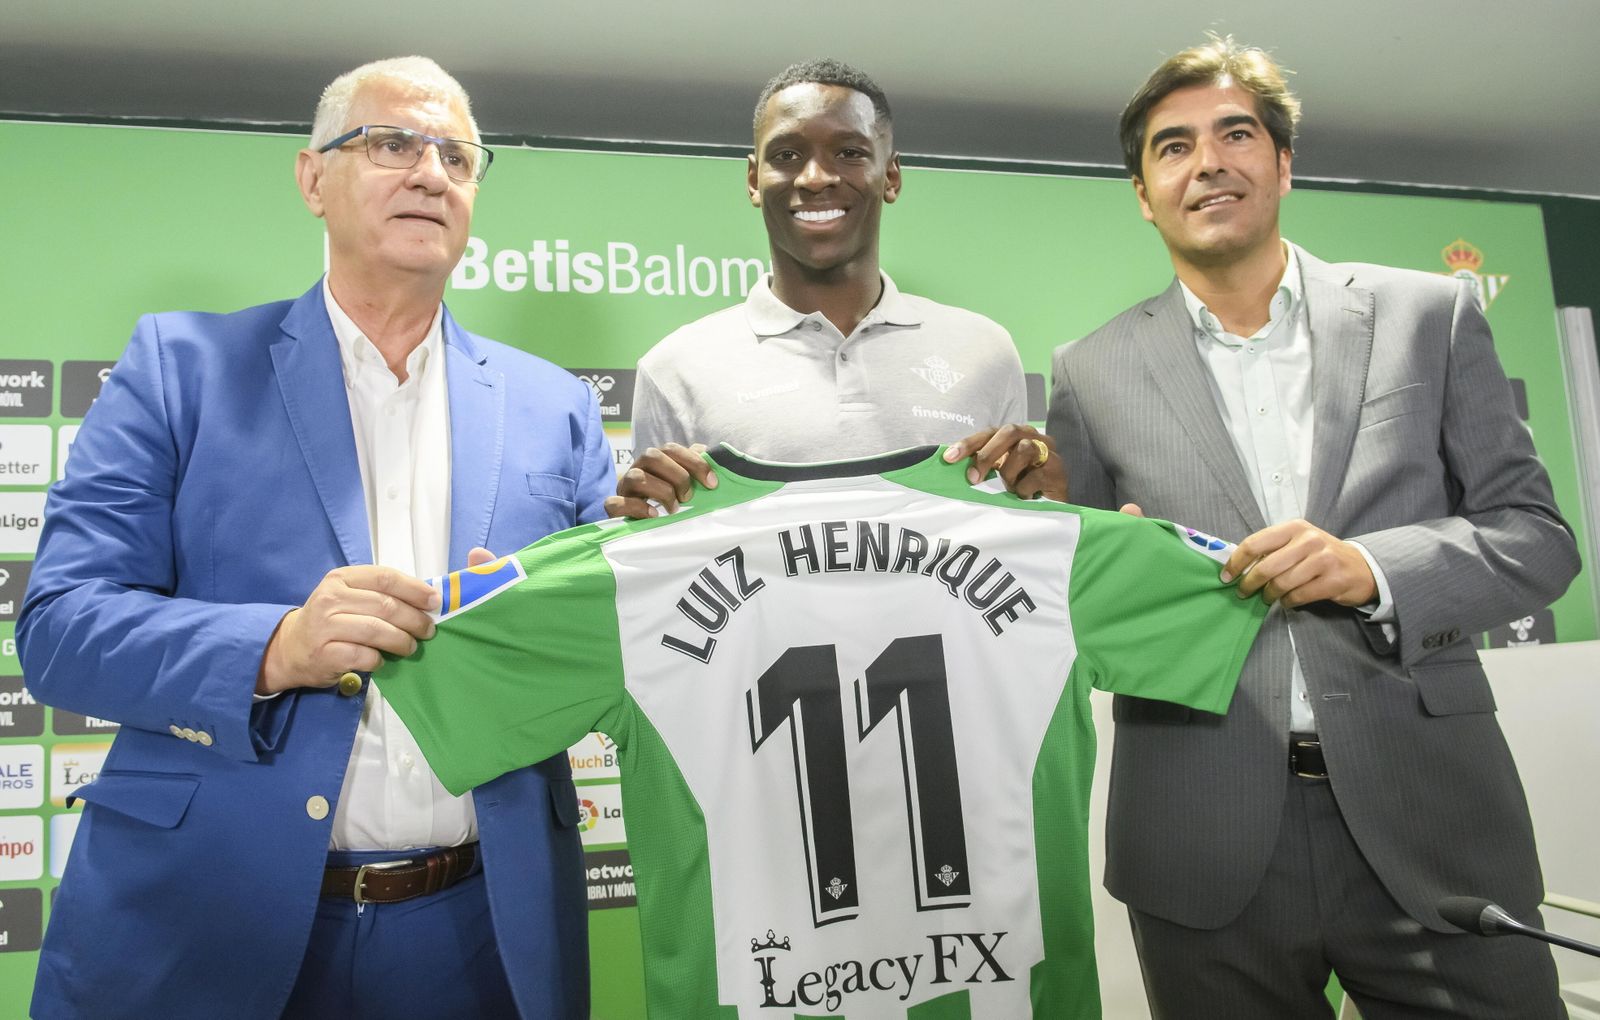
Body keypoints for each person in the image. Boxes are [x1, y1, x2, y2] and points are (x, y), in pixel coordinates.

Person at [19, 57, 609, 1019]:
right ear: (312, 178)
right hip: (206, 922)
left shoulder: (555, 407)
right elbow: (59, 630)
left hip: (480, 934)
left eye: (458, 157)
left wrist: (548, 626)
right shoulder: (181, 366)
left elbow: (600, 657)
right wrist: (275, 645)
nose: (430, 173)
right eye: (391, 143)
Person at [1045, 35, 1579, 1018]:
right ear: (1141, 190)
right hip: (1202, 840)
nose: (1207, 162)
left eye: (1234, 134)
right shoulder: (1089, 372)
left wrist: (1369, 569)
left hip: (1434, 825)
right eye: (1172, 147)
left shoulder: (1428, 316)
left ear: (1282, 163)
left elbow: (1537, 538)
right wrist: (1118, 575)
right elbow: (1063, 616)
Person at [609, 58, 1061, 518]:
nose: (815, 177)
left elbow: (1017, 543)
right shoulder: (675, 368)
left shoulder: (984, 350)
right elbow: (666, 560)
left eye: (850, 152)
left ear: (891, 175)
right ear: (753, 180)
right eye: (786, 155)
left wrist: (1047, 497)